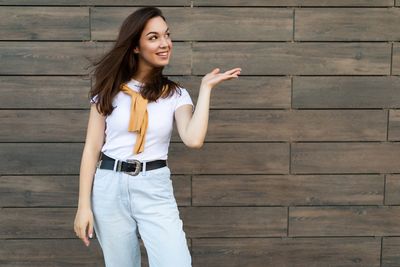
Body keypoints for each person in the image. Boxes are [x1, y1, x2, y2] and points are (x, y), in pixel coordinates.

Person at [73, 6, 241, 267]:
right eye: (153, 37)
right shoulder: (108, 91)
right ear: (136, 46)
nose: (165, 44)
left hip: (154, 185)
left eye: (167, 35)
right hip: (109, 185)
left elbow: (193, 139)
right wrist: (84, 206)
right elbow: (91, 149)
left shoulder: (175, 95)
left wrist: (206, 89)